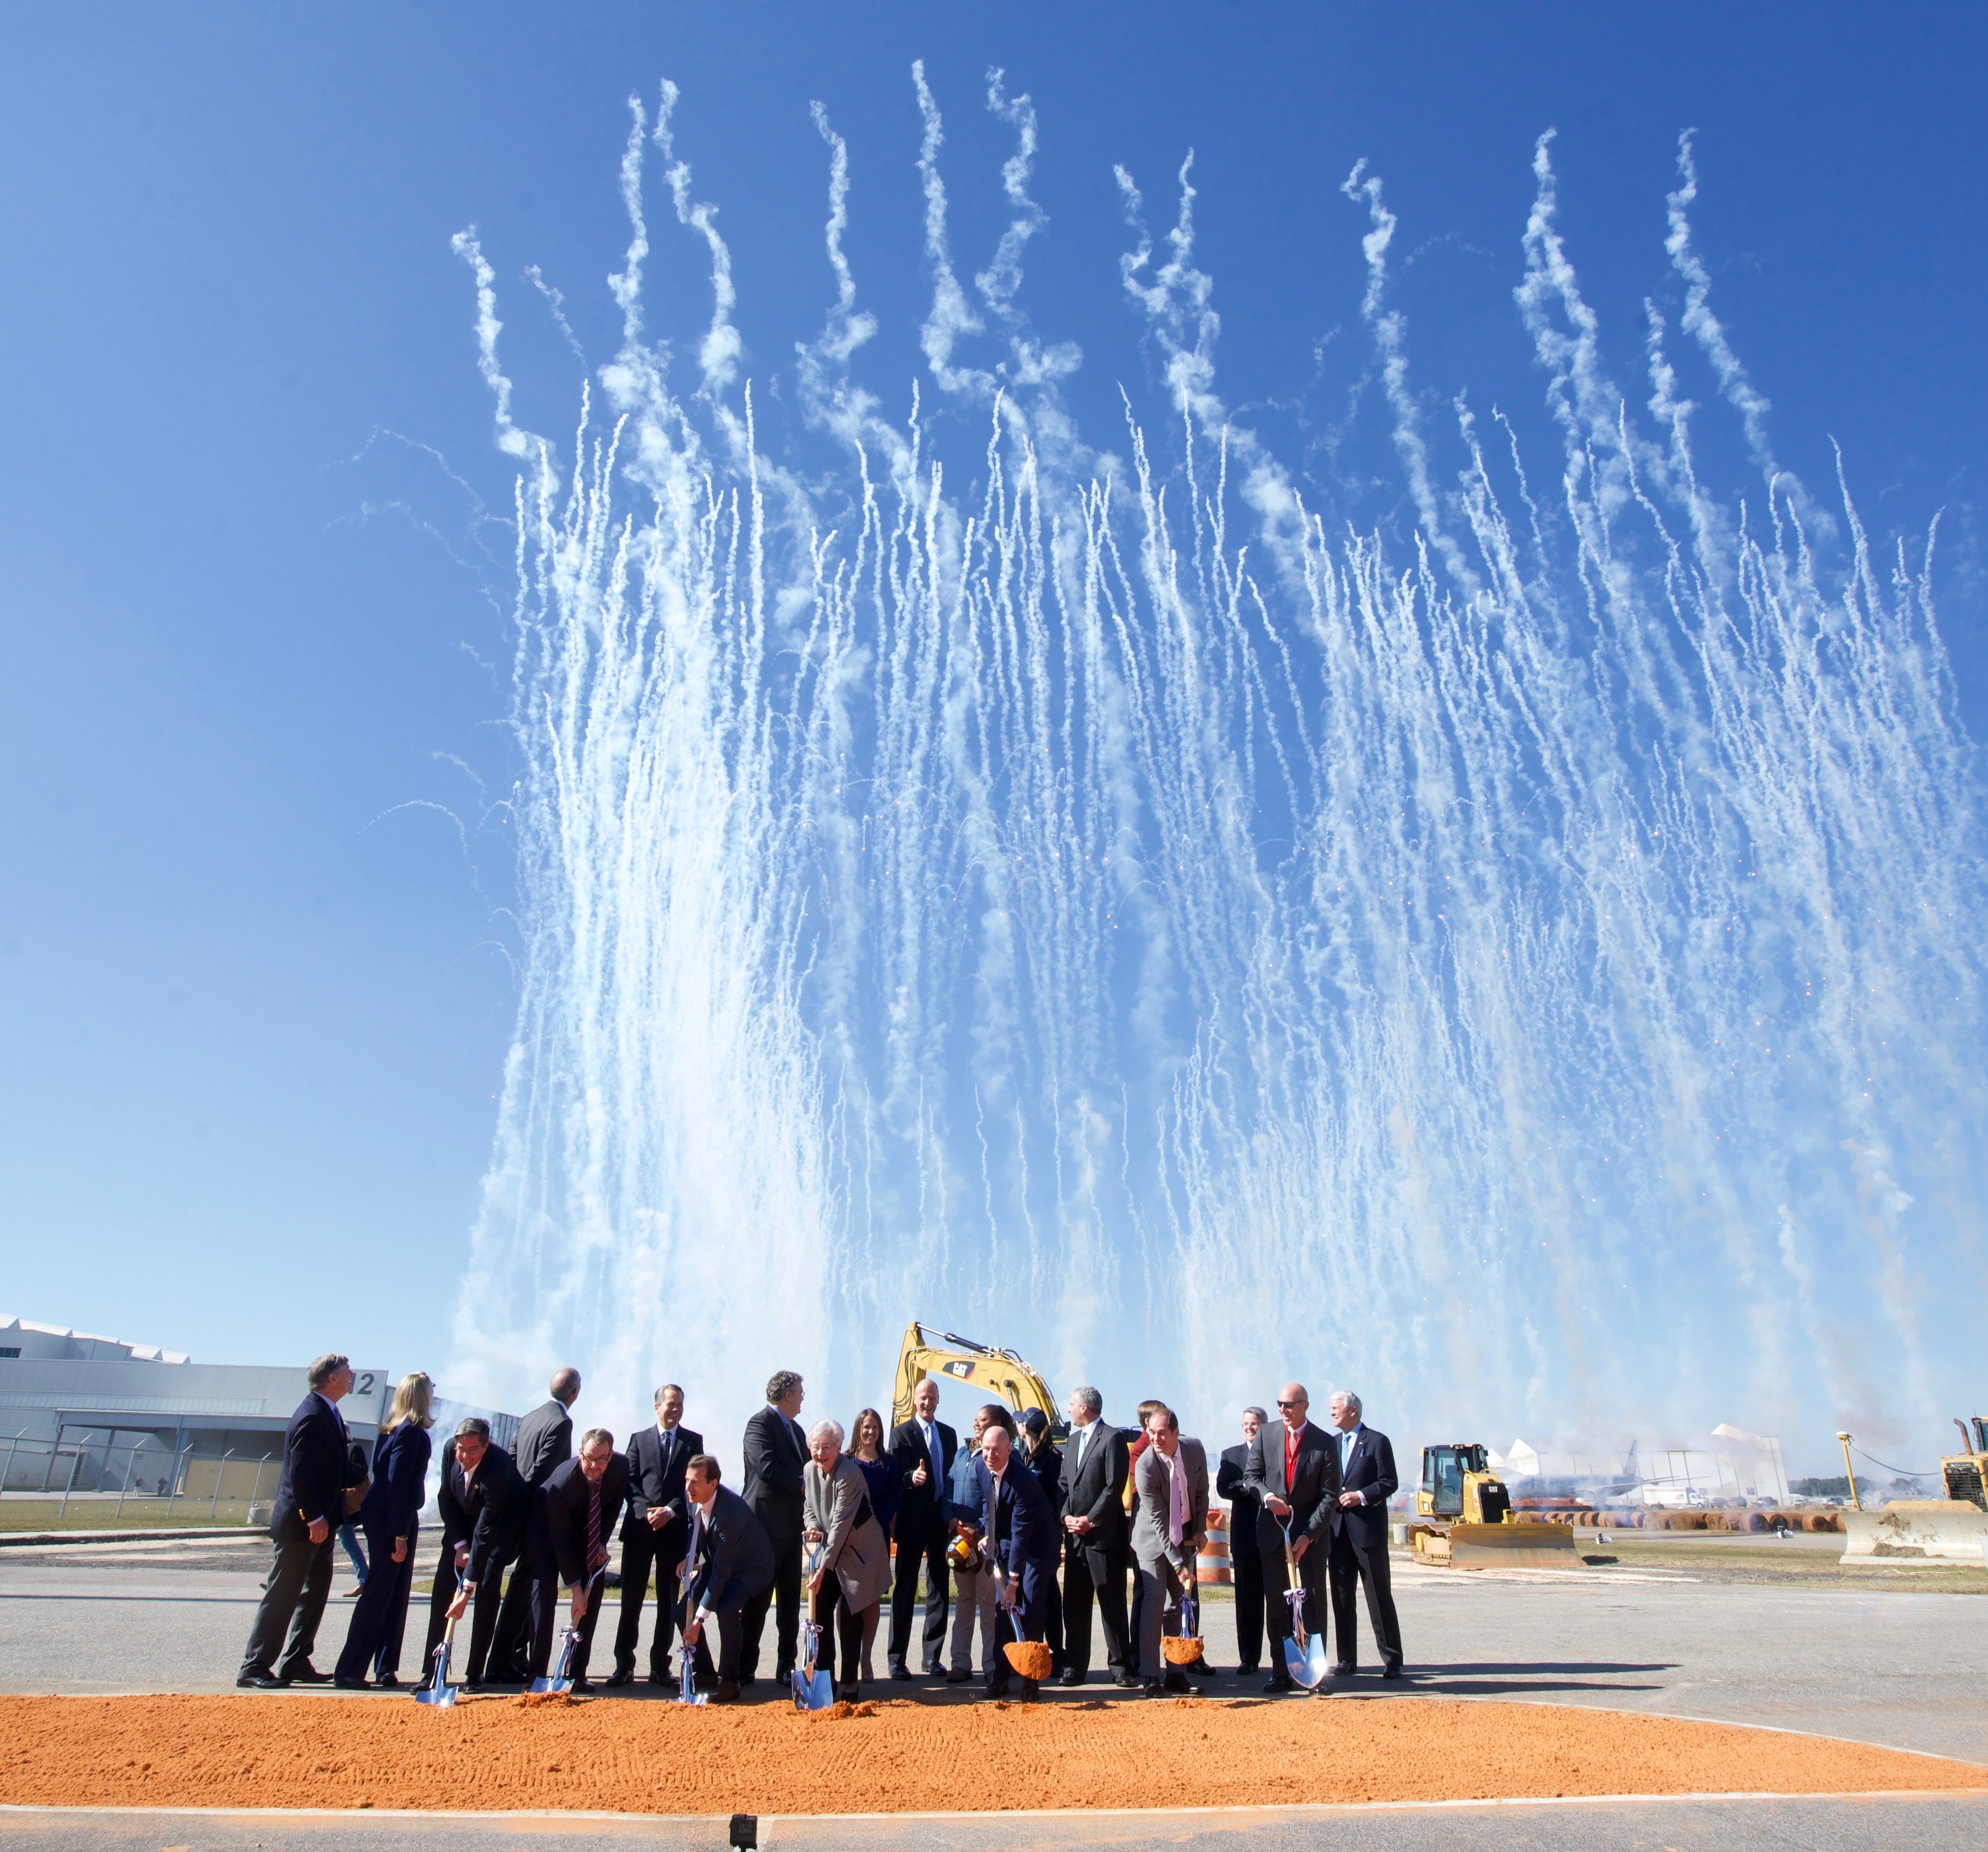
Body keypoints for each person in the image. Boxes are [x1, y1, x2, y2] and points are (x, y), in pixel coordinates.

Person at [238, 1353, 355, 1688]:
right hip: (302, 1527)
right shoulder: (311, 1415)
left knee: (314, 1593)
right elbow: (299, 1475)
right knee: (283, 1594)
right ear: (331, 1378)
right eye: (347, 1372)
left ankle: (296, 1661)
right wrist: (314, 1517)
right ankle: (255, 1666)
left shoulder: (328, 1413)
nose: (352, 1376)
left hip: (323, 1525)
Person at [333, 1370, 433, 1688]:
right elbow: (397, 1483)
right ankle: (350, 1670)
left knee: (394, 1594)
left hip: (391, 1515)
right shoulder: (410, 1434)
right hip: (394, 1517)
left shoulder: (392, 1431)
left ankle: (385, 1667)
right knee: (379, 1593)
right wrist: (400, 1534)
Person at [1244, 1381, 1340, 1694]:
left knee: (1312, 1605)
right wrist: (1267, 1497)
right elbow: (1251, 1477)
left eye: (1290, 1405)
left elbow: (1329, 1496)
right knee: (1276, 1606)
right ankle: (1280, 1672)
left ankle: (1315, 1675)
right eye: (1280, 1405)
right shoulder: (1266, 1435)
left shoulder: (1324, 1443)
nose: (1284, 1411)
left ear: (1305, 1406)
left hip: (1308, 1540)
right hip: (1272, 1536)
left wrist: (1308, 1536)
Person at [607, 1383, 704, 1688]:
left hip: (673, 1531)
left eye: (680, 1405)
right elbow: (630, 1482)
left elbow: (692, 1485)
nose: (675, 1410)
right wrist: (646, 1512)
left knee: (668, 1602)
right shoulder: (638, 1440)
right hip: (640, 1530)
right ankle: (624, 1665)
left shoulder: (692, 1442)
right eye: (670, 1404)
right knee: (631, 1601)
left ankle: (660, 1667)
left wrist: (670, 1511)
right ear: (657, 1407)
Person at [421, 1416, 529, 1690]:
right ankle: (433, 1672)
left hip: (502, 1530)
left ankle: (475, 1673)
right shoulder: (450, 1450)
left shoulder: (500, 1469)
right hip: (463, 1529)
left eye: (472, 1451)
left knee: (488, 1586)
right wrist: (460, 1546)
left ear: (486, 1446)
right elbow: (445, 1497)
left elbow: (486, 1530)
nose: (465, 1456)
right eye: (461, 1449)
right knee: (443, 1589)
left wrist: (467, 1588)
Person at [521, 1427, 630, 1692]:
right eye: (588, 1458)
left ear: (611, 1455)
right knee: (543, 1600)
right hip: (547, 1536)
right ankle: (536, 1676)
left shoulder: (620, 1467)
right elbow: (560, 1542)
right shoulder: (561, 1484)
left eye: (601, 1459)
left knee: (591, 1598)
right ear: (580, 1453)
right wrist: (575, 1589)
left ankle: (576, 1674)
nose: (594, 1466)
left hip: (588, 1532)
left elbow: (614, 1504)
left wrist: (602, 1542)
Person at [491, 1366, 582, 1676]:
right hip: (539, 1517)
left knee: (520, 1587)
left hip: (520, 1510)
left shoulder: (530, 1418)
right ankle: (511, 1659)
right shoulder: (561, 1422)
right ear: (575, 1393)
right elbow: (542, 1471)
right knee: (533, 1591)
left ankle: (507, 1658)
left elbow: (514, 1459)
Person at [802, 1419, 891, 1702]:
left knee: (850, 1619)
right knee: (821, 1618)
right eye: (815, 1447)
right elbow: (809, 1508)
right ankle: (825, 1680)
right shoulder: (809, 1470)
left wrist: (823, 1568)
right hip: (830, 1550)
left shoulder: (850, 1473)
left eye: (826, 1447)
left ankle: (850, 1684)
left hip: (859, 1553)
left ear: (839, 1447)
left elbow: (840, 1526)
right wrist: (813, 1525)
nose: (820, 1453)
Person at [679, 1452, 775, 1704]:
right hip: (722, 1562)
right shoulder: (694, 1496)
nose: (688, 1487)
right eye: (687, 1480)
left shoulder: (730, 1512)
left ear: (714, 1484)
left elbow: (722, 1573)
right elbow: (696, 1526)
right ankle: (706, 1674)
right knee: (682, 1611)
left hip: (751, 1568)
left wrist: (699, 1619)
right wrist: (690, 1556)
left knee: (727, 1609)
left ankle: (730, 1681)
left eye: (695, 1482)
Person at [975, 1416, 1056, 1702]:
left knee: (1030, 1608)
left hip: (1038, 1546)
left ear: (1010, 1450)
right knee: (1003, 1612)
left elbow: (1023, 1536)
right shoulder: (981, 1468)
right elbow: (989, 1507)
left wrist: (1013, 1583)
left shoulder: (1025, 1482)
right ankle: (1000, 1678)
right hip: (1010, 1540)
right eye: (986, 1449)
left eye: (996, 1450)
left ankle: (1031, 1681)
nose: (990, 1455)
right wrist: (989, 1536)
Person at [1058, 1385, 1135, 1688]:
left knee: (1111, 1603)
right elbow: (1064, 1485)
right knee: (1074, 1606)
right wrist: (1066, 1517)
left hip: (1103, 1537)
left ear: (1085, 1408)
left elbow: (1113, 1487)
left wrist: (1090, 1520)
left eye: (1072, 1404)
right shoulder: (1073, 1441)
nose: (1068, 1409)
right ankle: (1075, 1667)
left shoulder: (1112, 1438)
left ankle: (1120, 1667)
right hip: (1075, 1539)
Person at [1130, 1404, 1209, 1695]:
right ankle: (1151, 1676)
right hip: (1152, 1541)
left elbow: (1201, 1492)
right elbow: (1159, 1521)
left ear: (1177, 1433)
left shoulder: (1194, 1449)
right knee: (1154, 1603)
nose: (1155, 1438)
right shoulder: (1146, 1465)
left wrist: (1200, 1529)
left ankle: (1177, 1673)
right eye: (1151, 1432)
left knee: (1179, 1606)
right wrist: (1178, 1564)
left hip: (1186, 1536)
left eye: (1162, 1433)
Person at [1325, 1389, 1404, 1679]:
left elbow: (1389, 1481)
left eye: (1336, 1408)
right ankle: (1346, 1660)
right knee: (1342, 1598)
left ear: (1353, 1411)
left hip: (1367, 1532)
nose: (1332, 1413)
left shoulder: (1377, 1441)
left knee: (1378, 1597)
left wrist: (1361, 1495)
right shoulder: (1331, 1444)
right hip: (1337, 1533)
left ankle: (1392, 1659)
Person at [740, 1369, 808, 1684]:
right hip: (764, 1528)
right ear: (787, 1395)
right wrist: (803, 1484)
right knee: (757, 1601)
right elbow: (766, 1467)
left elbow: (810, 1469)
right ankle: (744, 1667)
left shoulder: (796, 1431)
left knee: (790, 1603)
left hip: (792, 1529)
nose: (802, 1398)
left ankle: (786, 1665)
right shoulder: (760, 1424)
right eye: (800, 1392)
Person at [886, 1376, 957, 1680]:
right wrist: (909, 1478)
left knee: (939, 1588)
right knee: (905, 1589)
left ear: (938, 1400)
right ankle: (897, 1660)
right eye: (922, 1398)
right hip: (913, 1518)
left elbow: (952, 1474)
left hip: (940, 1520)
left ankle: (932, 1658)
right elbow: (896, 1473)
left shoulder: (949, 1435)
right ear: (915, 1401)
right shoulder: (901, 1434)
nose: (927, 1403)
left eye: (932, 1397)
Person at [943, 1403, 1003, 1683]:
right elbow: (948, 1490)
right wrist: (952, 1520)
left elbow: (992, 1500)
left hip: (983, 1543)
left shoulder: (990, 1459)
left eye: (984, 1420)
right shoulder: (960, 1454)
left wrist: (978, 1529)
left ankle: (992, 1665)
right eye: (976, 1419)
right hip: (961, 1542)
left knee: (988, 1603)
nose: (977, 1423)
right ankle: (960, 1663)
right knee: (964, 1601)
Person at [1215, 1406, 1269, 1677]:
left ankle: (1281, 1659)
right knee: (1247, 1599)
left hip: (1273, 1534)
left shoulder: (1276, 1451)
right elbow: (1224, 1487)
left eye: (1255, 1424)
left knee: (1276, 1597)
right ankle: (1249, 1657)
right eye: (1246, 1423)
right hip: (1246, 1535)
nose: (1250, 1428)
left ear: (1264, 1426)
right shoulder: (1232, 1456)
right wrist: (1247, 1488)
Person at [848, 1408, 900, 1683]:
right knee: (849, 1600)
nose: (871, 1432)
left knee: (871, 1598)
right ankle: (849, 1656)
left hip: (876, 1536)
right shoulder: (846, 1461)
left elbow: (894, 1497)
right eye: (866, 1427)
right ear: (858, 1429)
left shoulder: (889, 1463)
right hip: (847, 1539)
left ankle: (865, 1656)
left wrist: (875, 1523)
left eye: (876, 1428)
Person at [1017, 1408, 1065, 1673]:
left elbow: (1056, 1499)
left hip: (1045, 1538)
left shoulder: (1051, 1460)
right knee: (1038, 1595)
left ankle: (1056, 1653)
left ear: (1027, 1428)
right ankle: (1045, 1650)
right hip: (1027, 1537)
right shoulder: (1025, 1457)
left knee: (1045, 1596)